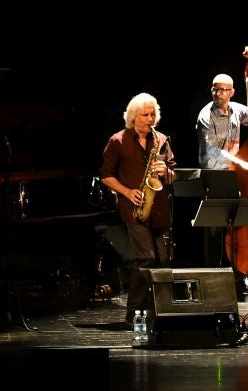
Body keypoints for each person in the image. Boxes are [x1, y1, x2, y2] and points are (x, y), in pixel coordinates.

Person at [100, 92, 176, 326]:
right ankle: (133, 313)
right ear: (133, 116)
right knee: (146, 258)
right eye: (145, 114)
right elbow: (105, 175)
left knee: (163, 260)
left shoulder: (161, 140)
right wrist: (126, 191)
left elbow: (173, 174)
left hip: (159, 209)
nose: (150, 118)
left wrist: (167, 172)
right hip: (134, 208)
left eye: (153, 114)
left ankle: (158, 311)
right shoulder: (118, 140)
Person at [195, 73, 248, 290]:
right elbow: (213, 152)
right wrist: (243, 164)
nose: (217, 93)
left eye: (222, 89)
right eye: (214, 89)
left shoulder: (237, 109)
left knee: (237, 227)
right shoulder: (205, 116)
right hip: (215, 174)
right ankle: (212, 277)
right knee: (214, 228)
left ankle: (238, 275)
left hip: (233, 174)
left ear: (232, 92)